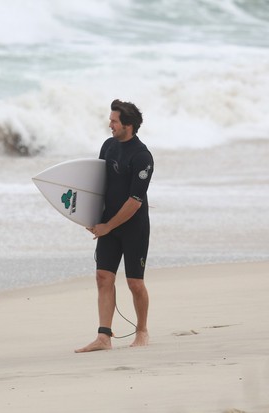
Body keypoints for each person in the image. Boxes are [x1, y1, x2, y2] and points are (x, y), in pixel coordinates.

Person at [75, 99, 154, 353]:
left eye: (114, 121)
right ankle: (104, 336)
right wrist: (91, 218)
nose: (110, 125)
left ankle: (142, 330)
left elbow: (135, 201)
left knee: (134, 283)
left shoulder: (142, 157)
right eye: (110, 120)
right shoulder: (108, 146)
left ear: (128, 125)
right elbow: (97, 186)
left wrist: (108, 226)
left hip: (133, 227)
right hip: (108, 224)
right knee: (103, 277)